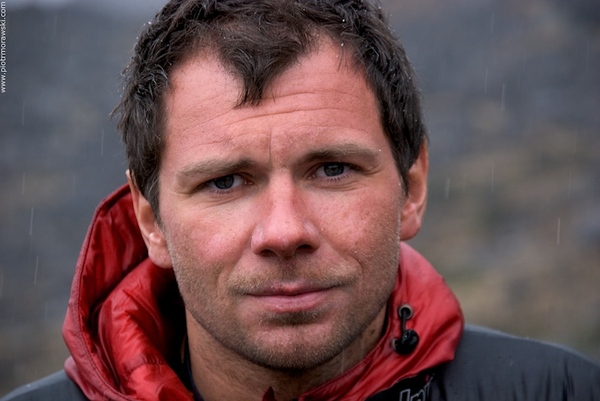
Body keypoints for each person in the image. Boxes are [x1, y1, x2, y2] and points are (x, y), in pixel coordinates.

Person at [3, 0, 599, 400]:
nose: (284, 231)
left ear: (412, 187)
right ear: (150, 219)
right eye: (225, 182)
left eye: (332, 169)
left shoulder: (564, 391)